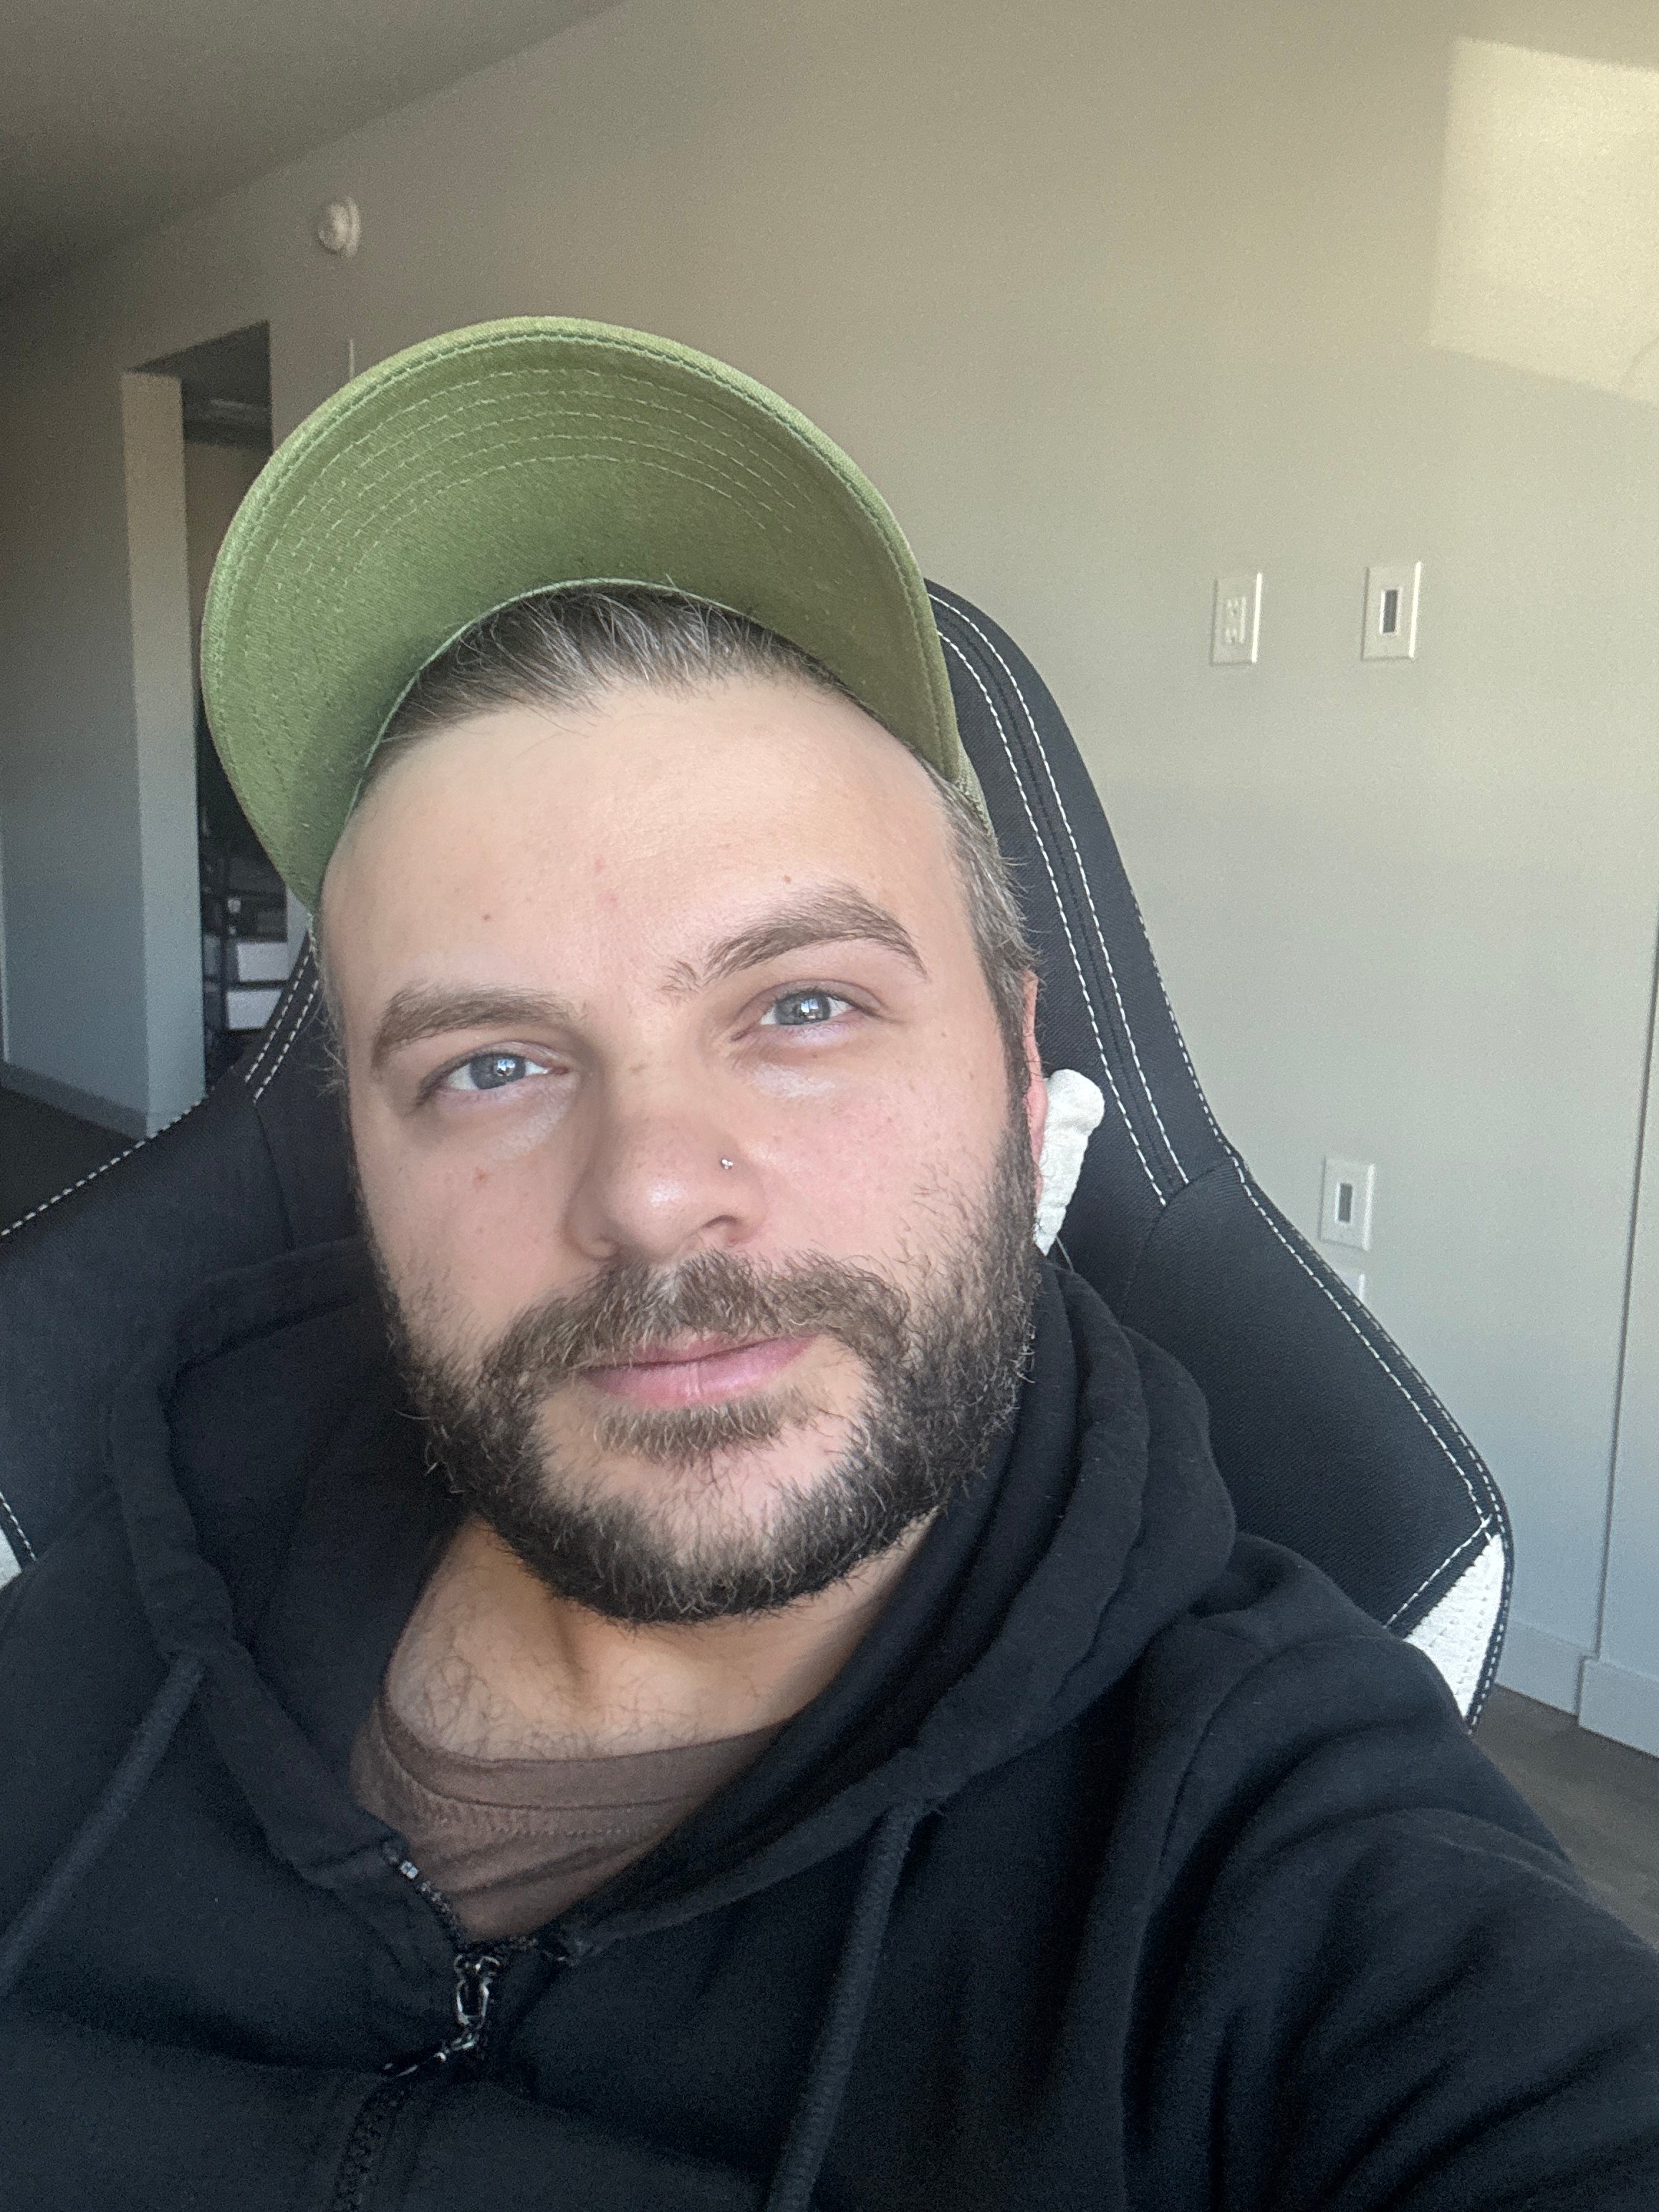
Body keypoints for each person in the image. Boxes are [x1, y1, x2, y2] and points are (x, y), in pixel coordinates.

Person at [1, 319, 1655, 2212]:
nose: (651, 1191)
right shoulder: (148, 1531)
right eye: (492, 1064)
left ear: (1017, 1072)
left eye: (800, 1005)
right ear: (360, 1158)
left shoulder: (1278, 1861)